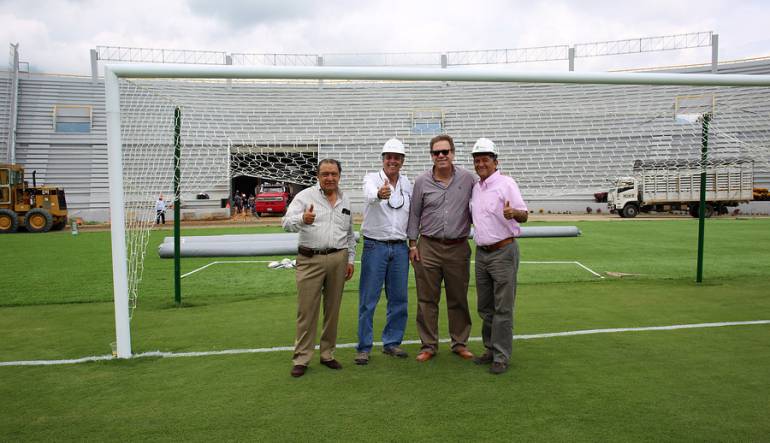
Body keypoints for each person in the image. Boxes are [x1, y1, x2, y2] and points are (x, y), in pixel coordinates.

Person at [281, 159, 356, 378]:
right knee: (307, 311)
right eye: (325, 174)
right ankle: (302, 358)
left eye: (333, 174)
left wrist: (350, 259)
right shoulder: (304, 197)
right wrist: (302, 219)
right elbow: (285, 223)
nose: (330, 178)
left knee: (332, 310)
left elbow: (350, 234)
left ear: (339, 175)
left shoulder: (346, 199)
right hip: (310, 259)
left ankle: (327, 354)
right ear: (318, 176)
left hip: (338, 258)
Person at [407, 134, 476, 362]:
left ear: (453, 153)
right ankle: (428, 345)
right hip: (429, 246)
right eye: (436, 152)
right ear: (431, 156)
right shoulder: (421, 182)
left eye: (445, 151)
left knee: (458, 298)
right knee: (427, 299)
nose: (441, 156)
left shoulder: (468, 179)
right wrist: (412, 244)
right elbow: (415, 214)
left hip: (458, 247)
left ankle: (459, 343)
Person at [469, 138, 528, 375]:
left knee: (503, 307)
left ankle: (501, 355)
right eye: (477, 160)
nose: (481, 164)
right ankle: (490, 349)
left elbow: (524, 215)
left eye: (485, 159)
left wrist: (513, 212)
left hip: (503, 251)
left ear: (495, 162)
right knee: (485, 306)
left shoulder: (506, 183)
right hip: (482, 253)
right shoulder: (476, 187)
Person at [355, 138, 412, 365]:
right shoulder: (371, 178)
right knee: (369, 299)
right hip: (375, 244)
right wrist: (380, 194)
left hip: (399, 246)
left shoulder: (408, 183)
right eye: (389, 156)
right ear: (383, 159)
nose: (392, 161)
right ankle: (364, 346)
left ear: (402, 160)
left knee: (399, 298)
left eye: (397, 157)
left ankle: (392, 342)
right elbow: (370, 194)